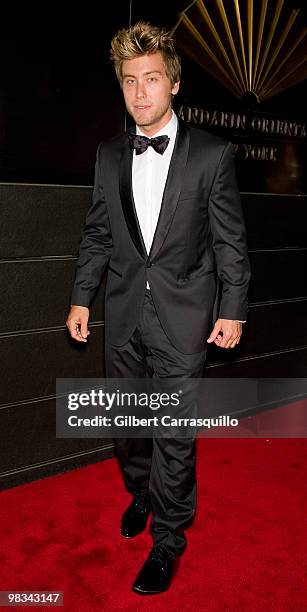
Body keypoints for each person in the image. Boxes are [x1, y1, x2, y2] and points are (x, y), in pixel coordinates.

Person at [66, 21, 251, 595]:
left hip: (185, 316)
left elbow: (229, 241)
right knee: (127, 424)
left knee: (174, 432)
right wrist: (80, 296)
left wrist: (233, 308)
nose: (140, 92)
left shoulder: (212, 156)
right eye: (129, 81)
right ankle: (141, 490)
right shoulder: (108, 155)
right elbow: (98, 234)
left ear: (173, 84)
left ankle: (169, 539)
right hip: (122, 313)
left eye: (151, 79)